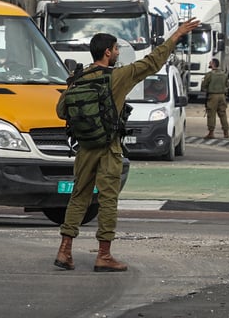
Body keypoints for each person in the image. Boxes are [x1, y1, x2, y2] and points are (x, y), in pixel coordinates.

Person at [53, 18, 201, 273]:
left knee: (79, 197)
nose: (118, 54)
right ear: (107, 52)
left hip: (85, 147)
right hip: (108, 147)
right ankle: (104, 255)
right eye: (116, 49)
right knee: (108, 199)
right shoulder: (118, 77)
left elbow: (60, 110)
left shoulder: (77, 78)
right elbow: (154, 61)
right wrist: (177, 35)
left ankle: (65, 250)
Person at [200, 58, 229, 139]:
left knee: (211, 114)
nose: (209, 63)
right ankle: (226, 132)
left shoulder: (209, 75)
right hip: (222, 96)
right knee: (223, 114)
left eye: (210, 63)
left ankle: (211, 132)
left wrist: (207, 90)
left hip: (212, 96)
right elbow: (227, 85)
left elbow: (204, 86)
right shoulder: (224, 74)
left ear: (213, 64)